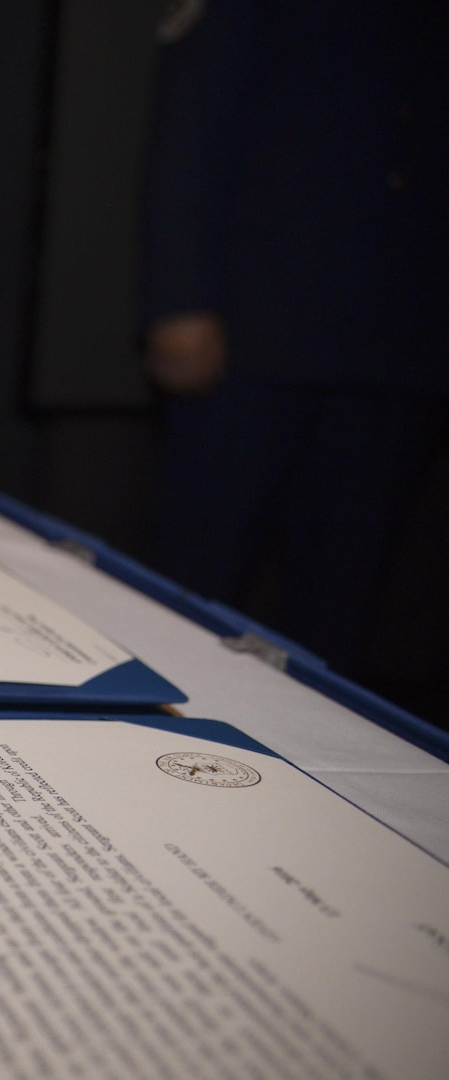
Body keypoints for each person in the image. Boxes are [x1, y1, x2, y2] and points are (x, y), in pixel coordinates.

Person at [140, 0, 448, 674]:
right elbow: (193, 128)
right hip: (254, 331)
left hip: (403, 340)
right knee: (192, 583)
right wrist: (178, 299)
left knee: (344, 601)